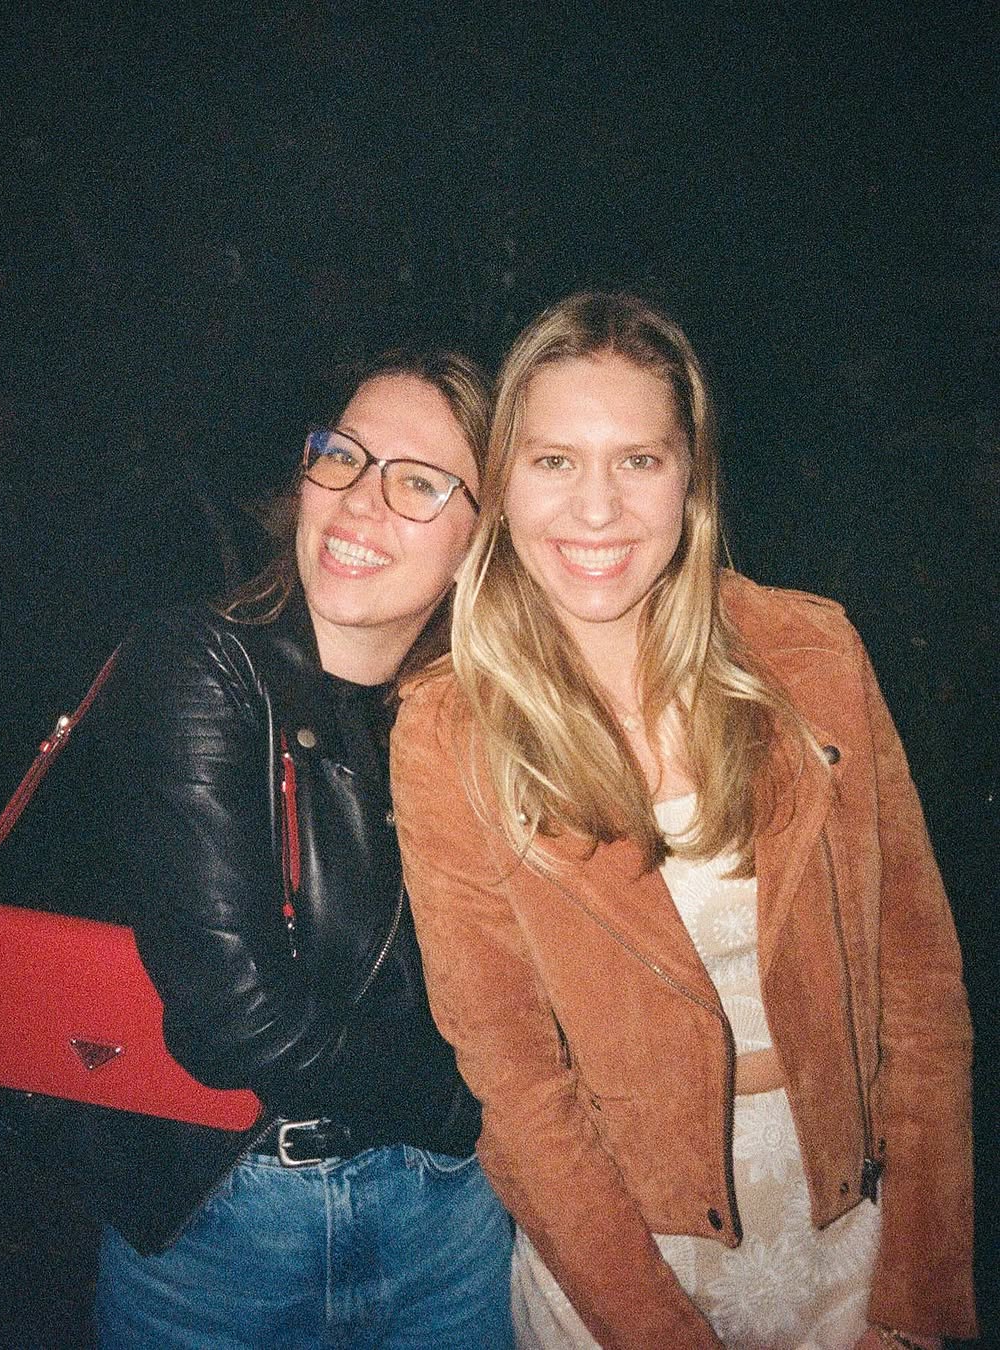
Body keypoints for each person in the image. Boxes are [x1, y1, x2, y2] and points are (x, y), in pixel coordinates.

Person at [389, 293, 976, 1350]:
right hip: (622, 1261)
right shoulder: (450, 728)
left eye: (639, 460)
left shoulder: (815, 656)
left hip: (852, 1229)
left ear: (690, 477)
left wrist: (915, 1295)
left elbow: (921, 993)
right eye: (555, 461)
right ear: (504, 482)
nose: (598, 509)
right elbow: (517, 1087)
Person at [89, 350, 515, 1347]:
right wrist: (476, 1103)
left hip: (450, 1222)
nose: (361, 501)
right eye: (343, 456)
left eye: (418, 482)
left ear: (479, 543)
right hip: (232, 1232)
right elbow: (233, 1020)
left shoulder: (480, 718)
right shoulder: (202, 664)